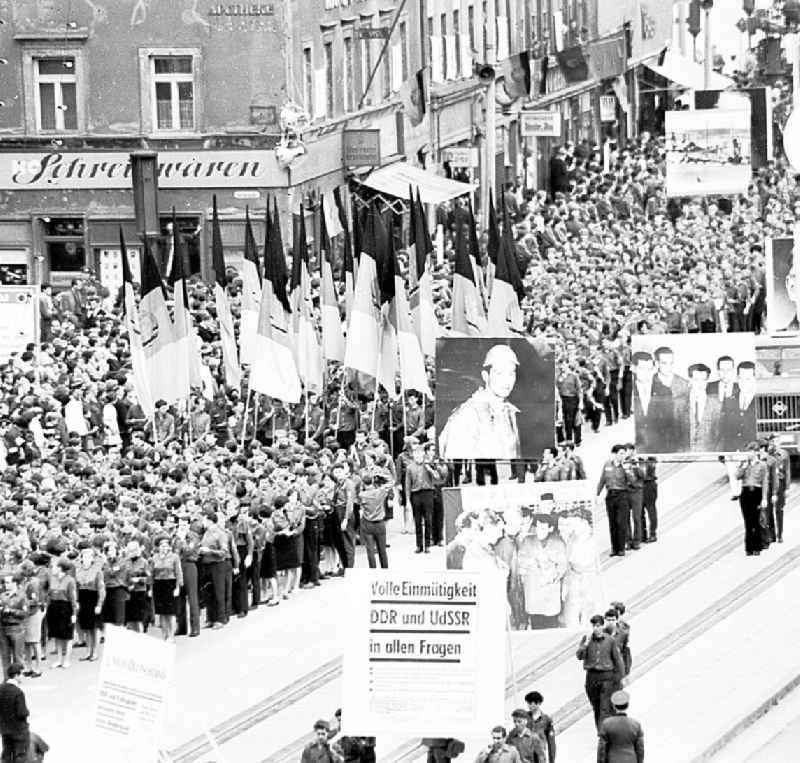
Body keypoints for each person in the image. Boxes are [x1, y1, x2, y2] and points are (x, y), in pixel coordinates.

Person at [439, 345, 522, 461]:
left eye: (511, 373)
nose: (506, 380)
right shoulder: (467, 414)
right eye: (499, 373)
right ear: (485, 376)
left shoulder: (509, 411)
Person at [576, 614, 625, 730]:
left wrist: (621, 677)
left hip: (606, 676)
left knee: (604, 706)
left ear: (602, 626)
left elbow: (618, 659)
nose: (596, 628)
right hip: (591, 677)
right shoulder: (587, 639)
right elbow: (579, 656)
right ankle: (600, 730)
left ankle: (603, 733)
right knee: (596, 706)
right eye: (594, 626)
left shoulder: (610, 640)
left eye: (598, 626)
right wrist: (585, 644)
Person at [405, 444, 448, 554]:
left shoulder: (428, 464)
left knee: (428, 519)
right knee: (418, 521)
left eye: (420, 455)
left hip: (428, 493)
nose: (418, 457)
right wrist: (408, 500)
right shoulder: (410, 467)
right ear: (413, 456)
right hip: (416, 494)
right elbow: (407, 485)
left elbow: (438, 477)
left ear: (423, 455)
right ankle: (419, 545)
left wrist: (430, 468)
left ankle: (427, 544)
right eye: (416, 455)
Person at [596, 445, 630, 557]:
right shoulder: (607, 465)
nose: (623, 455)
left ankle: (621, 548)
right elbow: (602, 480)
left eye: (624, 453)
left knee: (621, 522)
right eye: (621, 453)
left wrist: (627, 469)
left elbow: (632, 481)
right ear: (614, 454)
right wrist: (597, 494)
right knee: (612, 523)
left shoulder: (626, 466)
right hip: (610, 496)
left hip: (622, 495)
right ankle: (614, 548)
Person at [736, 442, 768, 556]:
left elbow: (765, 482)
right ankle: (748, 547)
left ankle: (757, 547)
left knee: (756, 521)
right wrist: (743, 467)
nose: (749, 454)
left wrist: (764, 498)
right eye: (748, 451)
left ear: (756, 452)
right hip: (745, 493)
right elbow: (737, 476)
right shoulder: (744, 464)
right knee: (748, 521)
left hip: (757, 492)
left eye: (751, 451)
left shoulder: (762, 465)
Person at [74, 545, 105, 662]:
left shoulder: (98, 571)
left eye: (89, 556)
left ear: (93, 558)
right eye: (84, 556)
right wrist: (76, 601)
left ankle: (95, 652)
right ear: (81, 558)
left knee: (94, 628)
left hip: (93, 598)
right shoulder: (78, 570)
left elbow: (101, 589)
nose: (87, 558)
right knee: (86, 628)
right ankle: (88, 651)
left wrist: (99, 604)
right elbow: (76, 588)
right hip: (82, 598)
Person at [45, 558, 77, 669]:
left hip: (65, 608)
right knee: (56, 635)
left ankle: (66, 660)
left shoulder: (70, 580)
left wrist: (74, 613)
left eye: (54, 566)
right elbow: (49, 594)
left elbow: (73, 598)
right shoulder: (52, 579)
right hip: (53, 607)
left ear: (60, 568)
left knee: (67, 635)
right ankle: (58, 659)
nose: (52, 568)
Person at [596, 690, 644, 763]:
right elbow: (640, 750)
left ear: (614, 706)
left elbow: (602, 749)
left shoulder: (606, 724)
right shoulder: (636, 725)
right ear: (627, 705)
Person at [151, 535, 182, 642]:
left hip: (170, 584)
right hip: (158, 585)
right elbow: (151, 574)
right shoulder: (154, 558)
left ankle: (171, 635)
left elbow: (178, 572)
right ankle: (165, 635)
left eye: (166, 546)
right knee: (162, 613)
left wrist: (178, 587)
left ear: (169, 547)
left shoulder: (174, 557)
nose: (164, 548)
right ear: (158, 547)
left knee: (171, 612)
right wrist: (150, 588)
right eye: (161, 546)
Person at [0, 663, 29, 763]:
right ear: (16, 675)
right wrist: (27, 712)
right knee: (20, 755)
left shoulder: (1, 689)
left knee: (6, 754)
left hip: (4, 728)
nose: (23, 677)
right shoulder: (18, 692)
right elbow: (22, 713)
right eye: (22, 674)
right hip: (18, 729)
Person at [524, 691, 556, 763]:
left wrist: (552, 760)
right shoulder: (524, 718)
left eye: (530, 703)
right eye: (527, 703)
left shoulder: (547, 720)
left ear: (538, 703)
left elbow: (551, 744)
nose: (528, 706)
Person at [641, 457, 658, 543]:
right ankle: (642, 535)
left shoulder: (649, 461)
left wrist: (646, 462)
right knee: (640, 513)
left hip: (649, 485)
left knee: (651, 511)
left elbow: (652, 465)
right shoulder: (637, 461)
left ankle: (652, 534)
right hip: (640, 487)